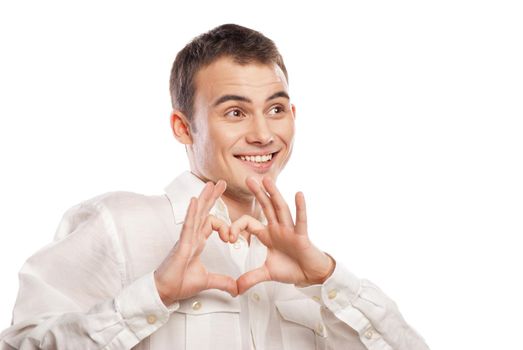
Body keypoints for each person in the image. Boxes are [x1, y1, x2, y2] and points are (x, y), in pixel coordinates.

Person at [0, 24, 429, 350]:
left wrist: (326, 277)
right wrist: (153, 295)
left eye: (276, 108)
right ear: (183, 127)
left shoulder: (305, 264)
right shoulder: (120, 224)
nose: (264, 134)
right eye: (236, 113)